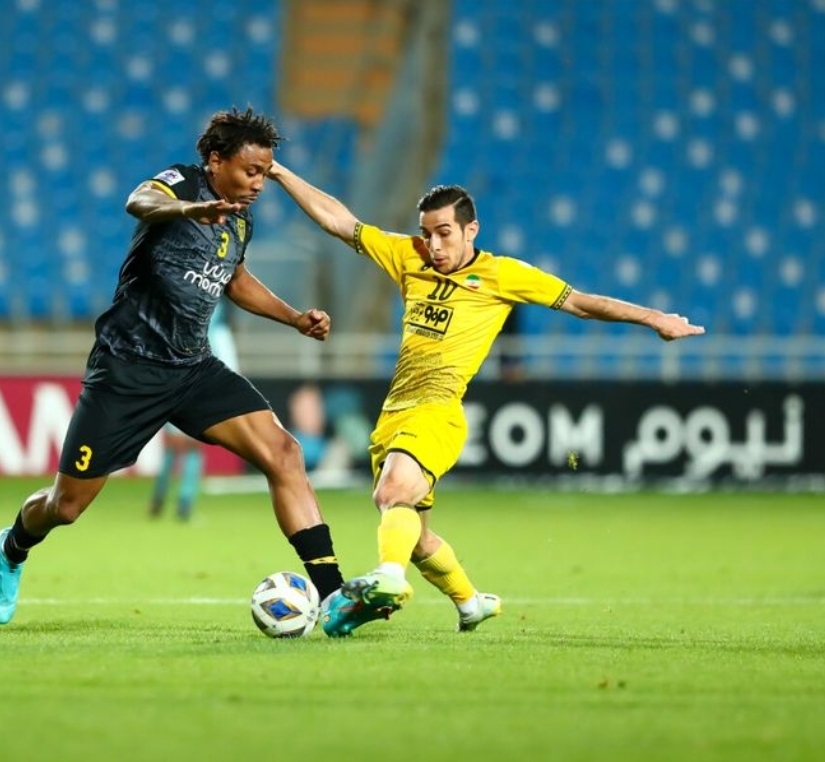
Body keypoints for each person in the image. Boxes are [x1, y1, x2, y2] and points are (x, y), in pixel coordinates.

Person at [267, 162, 706, 636]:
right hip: (394, 413)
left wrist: (654, 318)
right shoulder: (408, 255)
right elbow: (340, 222)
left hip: (438, 410)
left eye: (444, 233)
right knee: (416, 534)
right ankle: (471, 603)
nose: (434, 246)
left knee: (390, 494)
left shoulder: (502, 275)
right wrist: (277, 171)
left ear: (470, 230)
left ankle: (388, 578)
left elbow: (581, 303)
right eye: (427, 233)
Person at [0, 108, 346, 625]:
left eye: (265, 174)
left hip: (193, 368)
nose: (259, 184)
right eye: (251, 171)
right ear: (216, 160)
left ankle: (334, 597)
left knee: (284, 453)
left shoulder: (241, 218)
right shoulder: (181, 184)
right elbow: (139, 201)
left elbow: (235, 279)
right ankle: (12, 547)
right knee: (65, 506)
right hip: (127, 369)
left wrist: (293, 318)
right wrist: (189, 210)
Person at [147, 301, 239, 521]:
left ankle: (158, 499)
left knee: (173, 447)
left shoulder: (177, 322)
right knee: (193, 449)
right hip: (198, 393)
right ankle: (185, 503)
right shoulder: (217, 332)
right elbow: (230, 367)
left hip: (171, 389)